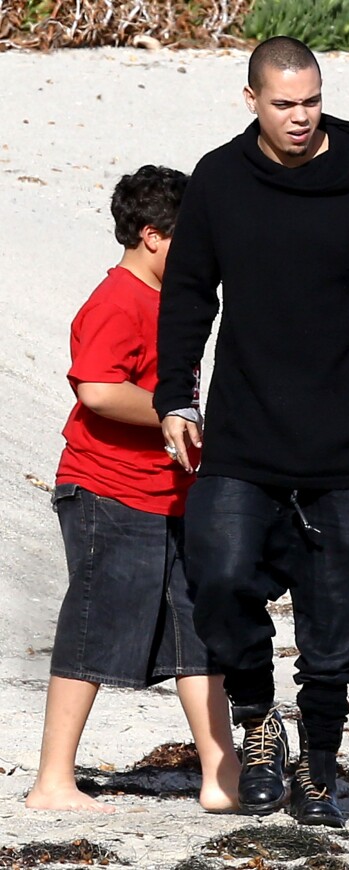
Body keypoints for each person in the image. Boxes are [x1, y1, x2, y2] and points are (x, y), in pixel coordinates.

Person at [154, 37, 349, 828]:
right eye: (284, 104)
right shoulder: (219, 178)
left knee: (346, 612)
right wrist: (178, 397)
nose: (301, 117)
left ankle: (320, 761)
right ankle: (258, 721)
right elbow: (188, 298)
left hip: (343, 446)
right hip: (242, 437)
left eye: (310, 101)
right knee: (221, 572)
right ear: (252, 102)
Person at [26, 165, 240, 814]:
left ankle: (220, 776)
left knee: (199, 634)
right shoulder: (119, 300)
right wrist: (180, 412)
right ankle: (52, 782)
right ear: (152, 236)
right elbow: (96, 389)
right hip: (106, 492)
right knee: (96, 624)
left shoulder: (169, 301)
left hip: (172, 495)